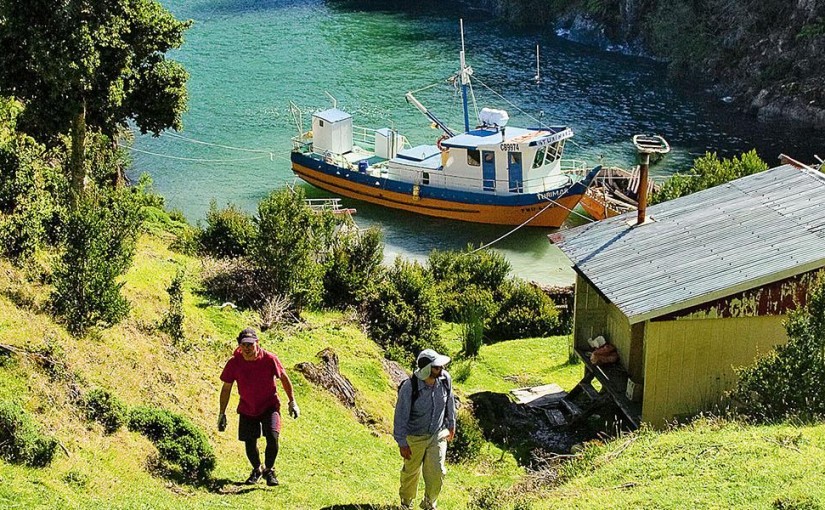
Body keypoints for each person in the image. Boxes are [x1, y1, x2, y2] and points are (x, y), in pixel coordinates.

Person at [218, 327, 300, 486]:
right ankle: (257, 469)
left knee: (273, 437)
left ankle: (269, 470)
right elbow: (226, 388)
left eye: (250, 344)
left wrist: (292, 401)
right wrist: (222, 413)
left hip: (270, 406)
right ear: (239, 345)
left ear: (257, 343)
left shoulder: (269, 359)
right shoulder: (234, 363)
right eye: (244, 345)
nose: (247, 348)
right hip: (247, 408)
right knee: (249, 443)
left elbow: (284, 378)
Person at [393, 349, 456, 510]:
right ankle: (406, 503)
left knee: (437, 471)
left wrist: (451, 425)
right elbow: (400, 416)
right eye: (437, 367)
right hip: (414, 437)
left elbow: (450, 402)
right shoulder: (409, 387)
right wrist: (402, 443)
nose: (441, 369)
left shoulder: (445, 380)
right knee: (411, 472)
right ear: (427, 369)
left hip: (437, 434)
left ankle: (429, 503)